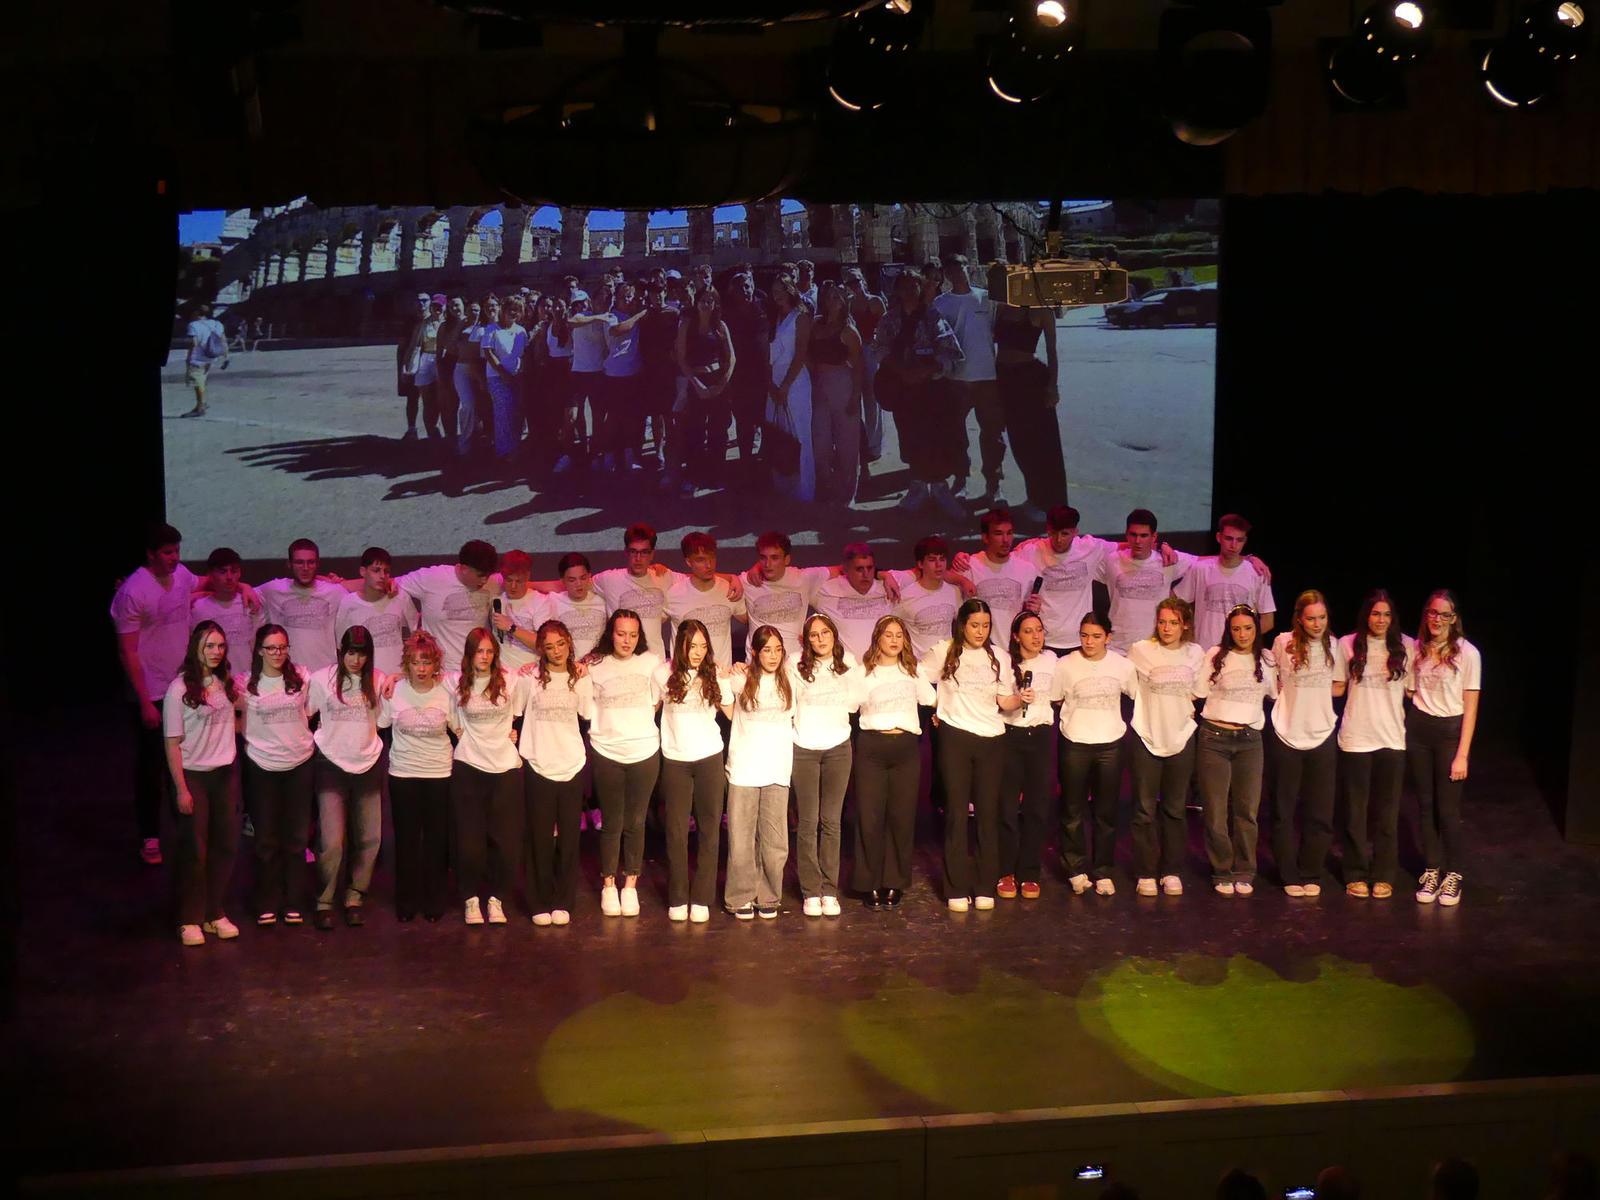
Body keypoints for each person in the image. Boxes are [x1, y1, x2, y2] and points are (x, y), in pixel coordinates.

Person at [921, 599, 1026, 912]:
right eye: (975, 625)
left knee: (987, 814)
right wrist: (935, 707)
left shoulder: (1000, 656)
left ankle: (983, 886)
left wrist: (1020, 699)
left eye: (986, 625)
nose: (980, 631)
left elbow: (1004, 700)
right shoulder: (944, 651)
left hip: (992, 739)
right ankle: (956, 888)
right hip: (956, 737)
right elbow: (915, 676)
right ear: (962, 625)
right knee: (956, 813)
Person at [112, 523, 201, 864]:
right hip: (152, 690)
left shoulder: (181, 575)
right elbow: (128, 651)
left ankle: (186, 830)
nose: (174, 558)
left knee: (185, 761)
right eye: (167, 552)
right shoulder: (133, 591)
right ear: (150, 554)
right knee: (151, 766)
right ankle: (150, 836)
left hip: (182, 685)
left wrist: (244, 587)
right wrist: (145, 701)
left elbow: (203, 584)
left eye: (176, 551)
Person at [163, 621, 241, 946]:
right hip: (194, 775)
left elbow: (238, 721)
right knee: (195, 849)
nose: (216, 651)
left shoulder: (226, 683)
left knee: (226, 844)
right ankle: (189, 918)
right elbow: (172, 743)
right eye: (209, 646)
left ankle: (214, 912)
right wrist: (181, 788)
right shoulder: (179, 689)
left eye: (220, 646)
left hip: (225, 774)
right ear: (196, 647)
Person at [1194, 604, 1279, 895]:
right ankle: (1222, 869)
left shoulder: (1265, 659)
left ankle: (1244, 869)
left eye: (1248, 628)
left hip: (1249, 740)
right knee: (1216, 811)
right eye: (1236, 629)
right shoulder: (1216, 655)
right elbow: (1198, 691)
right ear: (1229, 631)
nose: (1242, 634)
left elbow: (1274, 693)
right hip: (1214, 738)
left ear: (1257, 629)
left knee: (1247, 811)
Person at [1052, 611, 1137, 895]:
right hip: (1075, 742)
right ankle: (1075, 868)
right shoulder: (1065, 665)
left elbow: (1136, 695)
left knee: (1106, 812)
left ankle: (1103, 870)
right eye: (1084, 635)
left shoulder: (1122, 666)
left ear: (1108, 638)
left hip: (1110, 743)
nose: (1089, 642)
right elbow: (1055, 698)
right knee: (1072, 810)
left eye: (1096, 636)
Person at [654, 619, 733, 923]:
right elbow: (649, 709)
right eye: (692, 646)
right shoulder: (663, 673)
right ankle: (677, 897)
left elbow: (732, 712)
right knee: (675, 831)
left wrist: (730, 676)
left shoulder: (713, 673)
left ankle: (701, 897)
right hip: (676, 760)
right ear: (681, 646)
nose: (698, 652)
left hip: (709, 758)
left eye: (703, 646)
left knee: (709, 830)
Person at [1336, 590, 1414, 900]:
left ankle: (1383, 874)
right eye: (1375, 614)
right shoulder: (1347, 644)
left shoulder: (1407, 646)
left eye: (1386, 615)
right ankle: (1355, 872)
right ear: (1366, 616)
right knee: (1355, 813)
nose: (1381, 620)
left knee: (1387, 814)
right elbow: (1337, 686)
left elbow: (1412, 691)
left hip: (1391, 739)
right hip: (1356, 738)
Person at [585, 609, 663, 918]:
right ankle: (608, 885)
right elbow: (585, 704)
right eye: (621, 634)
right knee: (612, 822)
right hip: (607, 751)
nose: (627, 640)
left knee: (636, 821)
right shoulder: (595, 665)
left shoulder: (651, 662)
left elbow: (657, 700)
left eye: (633, 634)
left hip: (644, 751)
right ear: (611, 634)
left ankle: (630, 885)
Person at [307, 625, 385, 929]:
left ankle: (355, 896)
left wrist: (395, 680)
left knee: (370, 837)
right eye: (351, 653)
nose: (356, 660)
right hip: (330, 762)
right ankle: (324, 900)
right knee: (332, 840)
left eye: (362, 654)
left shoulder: (377, 679)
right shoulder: (321, 679)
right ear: (341, 652)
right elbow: (304, 712)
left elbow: (386, 715)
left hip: (368, 762)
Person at [1269, 590, 1347, 896]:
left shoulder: (1335, 645)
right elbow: (1273, 680)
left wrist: (1317, 692)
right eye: (1311, 618)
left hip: (1322, 733)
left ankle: (1310, 871)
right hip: (1286, 731)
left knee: (1320, 810)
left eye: (1322, 618)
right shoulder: (1282, 642)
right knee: (1283, 809)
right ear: (1299, 619)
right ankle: (1288, 874)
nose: (1317, 624)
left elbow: (1339, 686)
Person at [1128, 597, 1206, 897]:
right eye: (1162, 622)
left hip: (1181, 736)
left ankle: (1171, 870)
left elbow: (1199, 691)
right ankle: (1146, 872)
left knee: (1175, 808)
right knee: (1144, 809)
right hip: (1147, 735)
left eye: (1173, 622)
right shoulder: (1141, 650)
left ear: (1185, 624)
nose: (1167, 628)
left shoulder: (1195, 653)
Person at [236, 624, 313, 927]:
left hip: (299, 764)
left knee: (296, 838)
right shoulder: (245, 684)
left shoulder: (302, 677)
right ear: (259, 651)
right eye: (271, 648)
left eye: (282, 647)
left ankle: (293, 901)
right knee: (266, 839)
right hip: (262, 767)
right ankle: (266, 901)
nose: (278, 653)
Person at [853, 615, 933, 908]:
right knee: (870, 817)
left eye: (899, 635)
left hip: (905, 748)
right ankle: (868, 882)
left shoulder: (912, 671)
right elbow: (850, 706)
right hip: (872, 747)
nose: (894, 640)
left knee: (901, 817)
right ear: (878, 638)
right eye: (889, 634)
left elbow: (930, 699)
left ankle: (894, 882)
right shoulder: (864, 672)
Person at [872, 268, 966, 519]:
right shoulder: (889, 319)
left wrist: (927, 370)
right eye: (903, 285)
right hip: (903, 390)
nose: (909, 289)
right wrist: (900, 370)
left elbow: (950, 349)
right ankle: (917, 488)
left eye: (913, 284)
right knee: (910, 436)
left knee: (936, 438)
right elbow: (879, 348)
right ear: (897, 290)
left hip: (931, 389)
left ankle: (940, 488)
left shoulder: (932, 316)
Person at [1409, 590, 1481, 907]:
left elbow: (1471, 707)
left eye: (1444, 615)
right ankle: (1432, 869)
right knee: (1425, 806)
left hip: (1450, 733)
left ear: (1454, 619)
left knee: (1447, 809)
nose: (1437, 619)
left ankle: (1454, 873)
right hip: (1419, 729)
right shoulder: (1417, 648)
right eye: (1433, 613)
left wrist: (1462, 754)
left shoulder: (1468, 653)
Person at [518, 620, 591, 926]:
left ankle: (563, 900)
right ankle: (539, 900)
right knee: (539, 836)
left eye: (560, 644)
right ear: (541, 649)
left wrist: (584, 671)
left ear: (569, 643)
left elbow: (587, 715)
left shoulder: (580, 678)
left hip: (571, 763)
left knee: (570, 837)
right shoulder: (529, 678)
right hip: (538, 762)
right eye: (549, 646)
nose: (557, 651)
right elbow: (515, 713)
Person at [380, 631, 457, 923]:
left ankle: (435, 900)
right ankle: (407, 902)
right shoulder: (395, 691)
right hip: (403, 774)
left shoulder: (446, 691)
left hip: (439, 773)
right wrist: (392, 679)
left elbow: (460, 728)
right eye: (415, 662)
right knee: (407, 841)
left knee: (437, 840)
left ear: (435, 663)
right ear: (407, 665)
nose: (421, 668)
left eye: (426, 662)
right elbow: (380, 722)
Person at [449, 628, 523, 926]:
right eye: (479, 651)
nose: (484, 656)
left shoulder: (510, 680)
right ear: (469, 654)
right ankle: (470, 898)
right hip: (469, 766)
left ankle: (496, 898)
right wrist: (392, 677)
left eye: (489, 651)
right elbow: (419, 679)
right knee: (470, 842)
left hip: (504, 767)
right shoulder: (455, 683)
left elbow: (539, 676)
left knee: (504, 842)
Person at [725, 625, 797, 919]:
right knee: (741, 837)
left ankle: (768, 895)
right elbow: (723, 701)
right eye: (767, 650)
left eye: (778, 649)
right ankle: (740, 896)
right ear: (754, 652)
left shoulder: (790, 678)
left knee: (775, 839)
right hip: (745, 767)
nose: (773, 656)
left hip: (777, 767)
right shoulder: (740, 678)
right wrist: (733, 669)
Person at [791, 614, 860, 917]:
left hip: (838, 748)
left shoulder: (848, 664)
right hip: (804, 749)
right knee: (808, 822)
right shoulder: (795, 665)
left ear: (834, 634)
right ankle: (810, 890)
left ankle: (829, 890)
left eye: (825, 633)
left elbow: (854, 704)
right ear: (806, 640)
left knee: (831, 822)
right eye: (814, 635)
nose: (820, 639)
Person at [997, 611, 1060, 900]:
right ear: (1016, 636)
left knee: (1037, 807)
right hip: (1011, 736)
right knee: (1007, 808)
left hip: (1041, 736)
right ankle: (1005, 871)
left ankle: (1030, 872)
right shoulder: (1006, 664)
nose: (1036, 636)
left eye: (1039, 630)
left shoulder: (1052, 660)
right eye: (1028, 631)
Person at [933, 255, 1005, 506]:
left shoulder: (986, 298)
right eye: (951, 269)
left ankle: (994, 485)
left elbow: (997, 330)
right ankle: (960, 479)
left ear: (969, 268)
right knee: (955, 433)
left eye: (960, 267)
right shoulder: (940, 303)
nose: (956, 273)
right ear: (946, 274)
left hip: (987, 378)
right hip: (956, 380)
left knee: (993, 434)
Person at [992, 292, 1064, 521]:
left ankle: (1048, 502)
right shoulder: (1001, 308)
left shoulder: (1041, 310)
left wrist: (1052, 386)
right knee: (1019, 442)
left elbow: (1052, 350)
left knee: (1041, 443)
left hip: (1031, 379)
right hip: (1005, 378)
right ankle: (1034, 496)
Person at [1175, 514, 1277, 649]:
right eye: (1229, 538)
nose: (1234, 545)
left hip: (1239, 652)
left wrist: (1242, 638)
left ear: (1245, 541)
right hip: (1204, 650)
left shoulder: (1257, 573)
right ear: (1219, 537)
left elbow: (1268, 621)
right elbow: (1175, 603)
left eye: (1239, 540)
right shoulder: (1200, 569)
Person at [671, 283, 735, 495]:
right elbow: (681, 359)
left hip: (718, 382)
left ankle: (717, 475)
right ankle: (694, 475)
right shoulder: (686, 325)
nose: (707, 305)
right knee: (695, 431)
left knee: (718, 431)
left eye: (711, 301)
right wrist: (696, 384)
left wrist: (722, 383)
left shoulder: (721, 326)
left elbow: (731, 358)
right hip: (696, 381)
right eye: (703, 301)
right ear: (697, 303)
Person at [395, 539, 499, 667]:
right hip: (440, 670)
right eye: (481, 575)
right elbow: (389, 585)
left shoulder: (494, 583)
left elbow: (518, 580)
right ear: (464, 568)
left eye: (488, 575)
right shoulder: (432, 578)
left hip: (477, 670)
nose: (485, 580)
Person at [807, 281, 865, 505]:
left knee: (847, 441)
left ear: (844, 302)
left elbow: (858, 366)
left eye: (837, 298)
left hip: (842, 383)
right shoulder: (816, 325)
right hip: (819, 383)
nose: (832, 301)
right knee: (820, 439)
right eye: (829, 296)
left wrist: (855, 396)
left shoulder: (848, 331)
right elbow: (807, 352)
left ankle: (848, 492)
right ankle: (825, 484)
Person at [258, 538, 346, 673]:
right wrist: (243, 587)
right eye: (299, 562)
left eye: (310, 562)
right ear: (289, 564)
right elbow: (234, 590)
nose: (305, 568)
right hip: (287, 674)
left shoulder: (334, 592)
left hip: (325, 674)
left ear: (317, 564)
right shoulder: (273, 590)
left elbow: (365, 587)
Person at [740, 530, 833, 657]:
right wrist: (733, 578)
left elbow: (843, 568)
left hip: (795, 662)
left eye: (774, 558)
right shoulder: (747, 581)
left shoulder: (803, 578)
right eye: (763, 558)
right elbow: (716, 579)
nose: (767, 564)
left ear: (787, 559)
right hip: (759, 664)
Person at [959, 508, 1043, 647]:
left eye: (1009, 533)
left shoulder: (1027, 570)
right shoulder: (969, 566)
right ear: (985, 537)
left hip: (1015, 650)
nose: (1005, 540)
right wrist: (960, 579)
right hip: (980, 650)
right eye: (998, 534)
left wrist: (1034, 610)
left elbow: (1028, 614)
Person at [663, 531, 747, 667]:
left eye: (712, 558)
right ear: (688, 562)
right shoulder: (673, 594)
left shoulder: (729, 590)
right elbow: (651, 625)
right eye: (700, 560)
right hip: (685, 675)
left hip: (721, 675)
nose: (709, 565)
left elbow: (753, 621)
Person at [767, 275, 816, 502]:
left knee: (800, 435)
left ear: (790, 290)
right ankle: (783, 486)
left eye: (781, 290)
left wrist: (785, 386)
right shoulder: (776, 317)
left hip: (795, 382)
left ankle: (804, 490)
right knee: (779, 433)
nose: (777, 295)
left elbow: (801, 354)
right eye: (774, 291)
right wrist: (772, 385)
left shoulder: (800, 316)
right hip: (775, 381)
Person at [564, 282, 617, 472]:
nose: (603, 304)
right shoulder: (583, 314)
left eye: (606, 301)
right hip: (578, 372)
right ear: (592, 300)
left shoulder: (608, 319)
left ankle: (596, 453)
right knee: (572, 416)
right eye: (600, 300)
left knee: (598, 417)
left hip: (598, 374)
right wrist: (598, 316)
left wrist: (604, 318)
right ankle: (572, 453)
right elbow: (571, 322)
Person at [724, 272, 773, 475]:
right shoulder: (728, 314)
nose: (745, 291)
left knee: (766, 421)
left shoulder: (765, 307)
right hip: (740, 378)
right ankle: (745, 465)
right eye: (740, 288)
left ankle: (766, 465)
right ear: (733, 292)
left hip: (764, 376)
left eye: (748, 286)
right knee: (744, 424)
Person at [812, 542, 895, 662]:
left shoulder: (887, 588)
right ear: (845, 569)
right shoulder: (827, 591)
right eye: (859, 569)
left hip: (879, 668)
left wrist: (886, 575)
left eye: (870, 568)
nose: (866, 574)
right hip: (844, 668)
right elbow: (801, 583)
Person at [888, 536, 965, 662]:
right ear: (920, 564)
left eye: (942, 559)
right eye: (932, 560)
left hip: (948, 666)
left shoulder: (954, 592)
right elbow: (888, 627)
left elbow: (965, 625)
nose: (938, 565)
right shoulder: (905, 597)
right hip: (920, 668)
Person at [335, 547, 406, 679]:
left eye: (386, 571)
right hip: (365, 679)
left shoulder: (400, 598)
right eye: (376, 570)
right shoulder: (349, 603)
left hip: (397, 678)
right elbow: (342, 645)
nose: (382, 576)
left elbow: (414, 636)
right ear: (363, 571)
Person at [843, 267, 887, 464]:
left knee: (872, 398)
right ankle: (858, 443)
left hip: (870, 350)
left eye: (856, 281)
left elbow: (885, 327)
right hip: (853, 351)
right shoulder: (848, 303)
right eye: (850, 282)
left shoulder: (875, 302)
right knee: (854, 396)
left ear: (863, 281)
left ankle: (874, 445)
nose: (854, 286)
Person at [481, 295, 529, 461]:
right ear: (503, 309)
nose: (513, 313)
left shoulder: (521, 331)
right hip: (497, 377)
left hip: (517, 377)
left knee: (517, 412)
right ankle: (504, 451)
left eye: (517, 310)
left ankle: (515, 446)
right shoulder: (491, 329)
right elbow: (488, 353)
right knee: (504, 412)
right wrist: (503, 373)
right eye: (510, 309)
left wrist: (520, 373)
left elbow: (524, 354)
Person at [190, 547, 261, 657]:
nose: (229, 577)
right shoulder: (198, 609)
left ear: (239, 573)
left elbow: (257, 644)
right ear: (210, 574)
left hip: (247, 667)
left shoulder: (249, 603)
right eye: (223, 572)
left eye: (234, 571)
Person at [488, 549, 550, 674]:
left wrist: (512, 627)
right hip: (502, 673)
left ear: (527, 577)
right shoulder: (496, 601)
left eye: (519, 581)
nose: (513, 586)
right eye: (509, 580)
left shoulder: (540, 601)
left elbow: (545, 645)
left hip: (530, 672)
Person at [543, 552, 608, 660]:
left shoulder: (602, 601)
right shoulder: (553, 601)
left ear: (589, 576)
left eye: (583, 578)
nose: (579, 584)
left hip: (599, 663)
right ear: (562, 581)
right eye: (572, 580)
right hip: (568, 664)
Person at [180, 300, 229, 418]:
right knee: (202, 380)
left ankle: (200, 407)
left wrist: (188, 359)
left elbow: (194, 344)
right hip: (211, 356)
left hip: (198, 358)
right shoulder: (217, 324)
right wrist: (226, 357)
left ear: (197, 313)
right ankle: (202, 403)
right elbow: (223, 340)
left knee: (198, 382)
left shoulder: (193, 325)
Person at [396, 290, 434, 440]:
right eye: (418, 301)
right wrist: (403, 368)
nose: (421, 304)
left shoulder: (435, 319)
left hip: (430, 363)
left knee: (431, 399)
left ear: (430, 303)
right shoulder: (409, 323)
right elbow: (402, 346)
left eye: (425, 300)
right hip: (412, 363)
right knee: (412, 397)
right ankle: (411, 429)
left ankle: (432, 429)